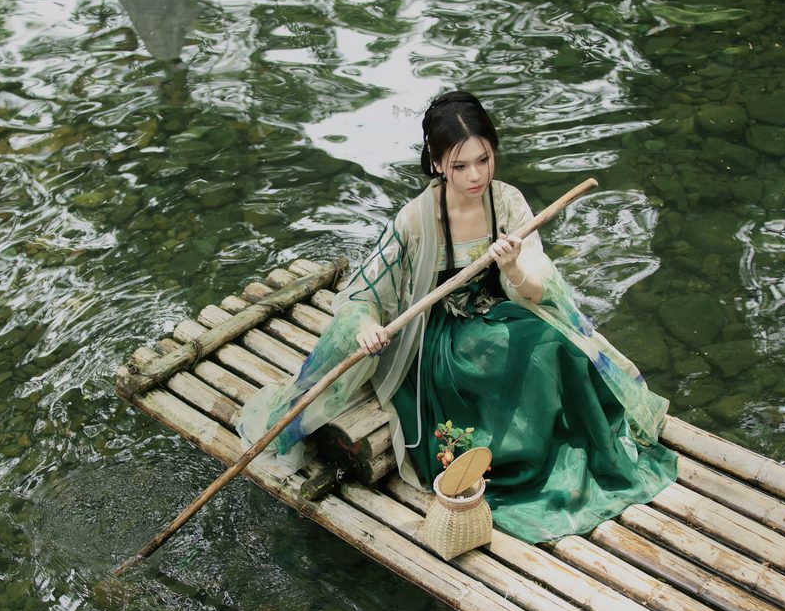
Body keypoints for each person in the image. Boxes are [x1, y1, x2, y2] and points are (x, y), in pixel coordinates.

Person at [238, 91, 677, 543]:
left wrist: (512, 268)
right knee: (500, 359)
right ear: (436, 163)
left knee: (554, 343)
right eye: (460, 165)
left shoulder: (506, 203)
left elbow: (538, 288)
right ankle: (517, 465)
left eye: (484, 160)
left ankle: (570, 446)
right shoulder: (414, 220)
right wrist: (367, 326)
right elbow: (363, 293)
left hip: (500, 312)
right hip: (441, 337)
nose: (476, 175)